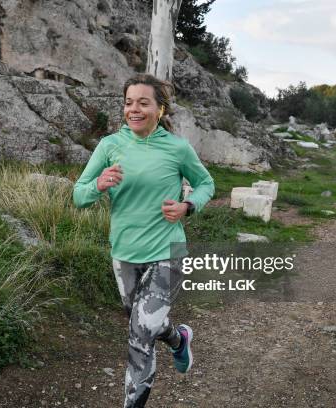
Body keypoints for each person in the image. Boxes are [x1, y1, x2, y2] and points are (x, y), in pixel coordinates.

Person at [72, 73, 215, 408]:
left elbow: (206, 183)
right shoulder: (110, 146)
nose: (134, 109)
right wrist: (99, 185)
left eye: (143, 102)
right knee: (146, 325)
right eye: (128, 102)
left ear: (160, 109)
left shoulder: (177, 148)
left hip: (168, 251)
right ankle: (179, 339)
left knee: (140, 337)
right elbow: (79, 195)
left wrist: (188, 205)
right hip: (124, 253)